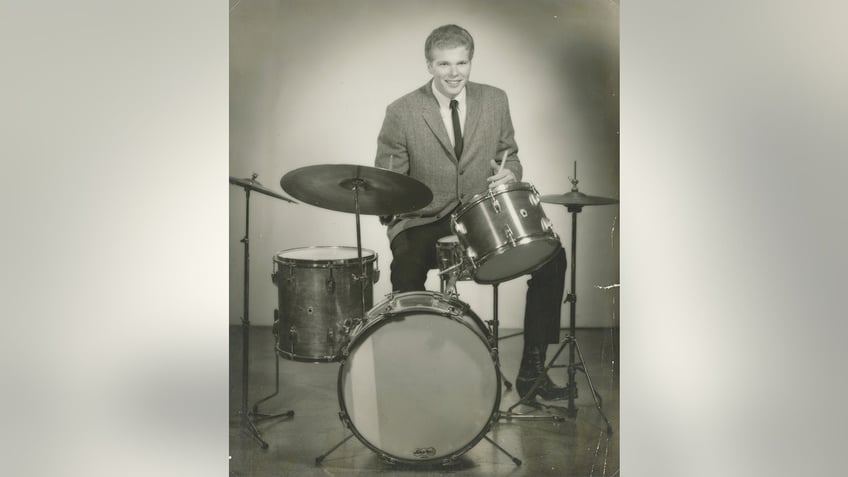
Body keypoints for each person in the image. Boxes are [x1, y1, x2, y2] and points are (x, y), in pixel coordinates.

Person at [373, 24, 569, 401]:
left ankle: (533, 370)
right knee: (408, 264)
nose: (454, 73)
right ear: (429, 65)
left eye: (461, 62)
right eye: (444, 64)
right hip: (426, 219)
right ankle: (413, 373)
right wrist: (397, 213)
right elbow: (390, 182)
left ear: (470, 61)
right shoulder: (401, 111)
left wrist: (512, 171)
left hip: (482, 215)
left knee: (552, 257)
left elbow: (508, 154)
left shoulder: (495, 100)